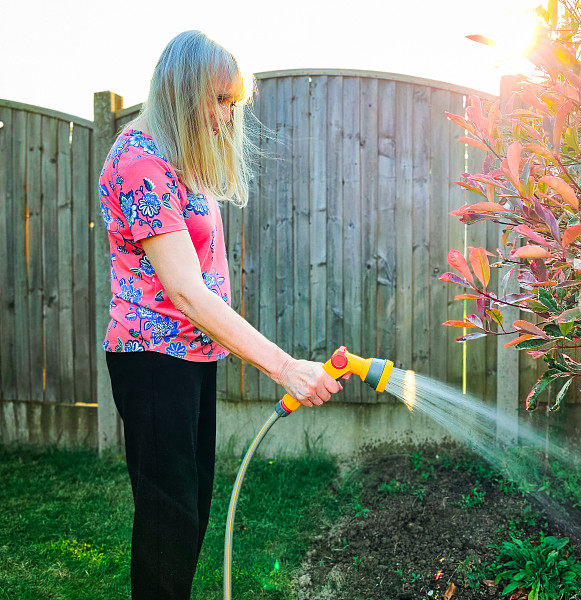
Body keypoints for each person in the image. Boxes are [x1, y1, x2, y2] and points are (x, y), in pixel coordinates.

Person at [97, 30, 342, 600]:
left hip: (189, 357)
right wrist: (285, 367)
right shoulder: (139, 161)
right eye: (220, 100)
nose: (229, 115)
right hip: (152, 358)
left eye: (234, 101)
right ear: (183, 92)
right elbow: (184, 291)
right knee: (168, 523)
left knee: (190, 511)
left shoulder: (179, 157)